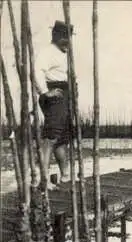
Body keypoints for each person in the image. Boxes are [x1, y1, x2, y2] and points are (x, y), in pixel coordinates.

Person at [35, 20, 74, 190]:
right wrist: (45, 92)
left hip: (64, 95)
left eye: (69, 37)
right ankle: (41, 179)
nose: (68, 41)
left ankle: (65, 175)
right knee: (51, 137)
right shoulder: (47, 52)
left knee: (62, 138)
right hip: (54, 95)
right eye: (65, 37)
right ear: (56, 36)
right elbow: (36, 71)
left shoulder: (63, 53)